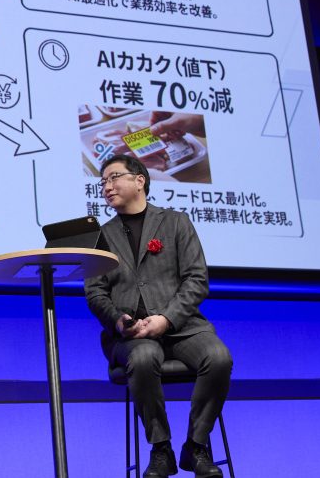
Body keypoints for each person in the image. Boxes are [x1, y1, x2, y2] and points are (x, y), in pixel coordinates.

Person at [84, 154, 231, 478]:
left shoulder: (176, 222)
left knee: (218, 356)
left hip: (182, 327)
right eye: (103, 181)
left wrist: (166, 319)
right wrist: (118, 321)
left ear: (140, 181)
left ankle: (196, 445)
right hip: (131, 335)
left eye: (114, 177)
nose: (106, 186)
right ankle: (160, 448)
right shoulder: (99, 236)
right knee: (144, 357)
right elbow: (95, 293)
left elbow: (197, 279)